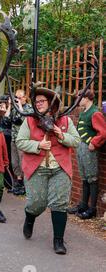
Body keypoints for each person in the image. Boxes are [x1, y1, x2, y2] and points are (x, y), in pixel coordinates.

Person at [16, 87, 80, 255]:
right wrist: (37, 145)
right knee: (36, 203)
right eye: (36, 102)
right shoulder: (30, 120)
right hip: (37, 168)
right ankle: (30, 218)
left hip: (60, 168)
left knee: (60, 204)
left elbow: (76, 141)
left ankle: (58, 240)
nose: (38, 104)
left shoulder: (65, 120)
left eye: (42, 101)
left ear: (51, 103)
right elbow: (20, 141)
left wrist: (61, 135)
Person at [67, 90, 106, 219]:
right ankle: (83, 205)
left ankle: (92, 209)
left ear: (87, 98)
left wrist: (94, 143)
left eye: (80, 97)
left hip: (89, 149)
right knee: (84, 178)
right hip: (81, 148)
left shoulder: (95, 113)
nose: (78, 100)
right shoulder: (84, 112)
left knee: (92, 179)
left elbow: (103, 132)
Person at [10, 89, 33, 196]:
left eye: (20, 97)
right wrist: (11, 105)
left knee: (22, 162)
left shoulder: (29, 108)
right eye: (16, 97)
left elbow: (26, 120)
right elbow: (10, 120)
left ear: (25, 97)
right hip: (14, 138)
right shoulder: (14, 108)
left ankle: (25, 185)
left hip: (23, 140)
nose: (17, 99)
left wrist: (19, 107)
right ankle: (18, 184)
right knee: (15, 162)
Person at [0, 95, 13, 192]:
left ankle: (9, 183)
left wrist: (9, 107)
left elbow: (7, 120)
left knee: (8, 160)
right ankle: (1, 181)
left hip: (8, 138)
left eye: (5, 101)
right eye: (2, 101)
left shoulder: (12, 111)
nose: (3, 103)